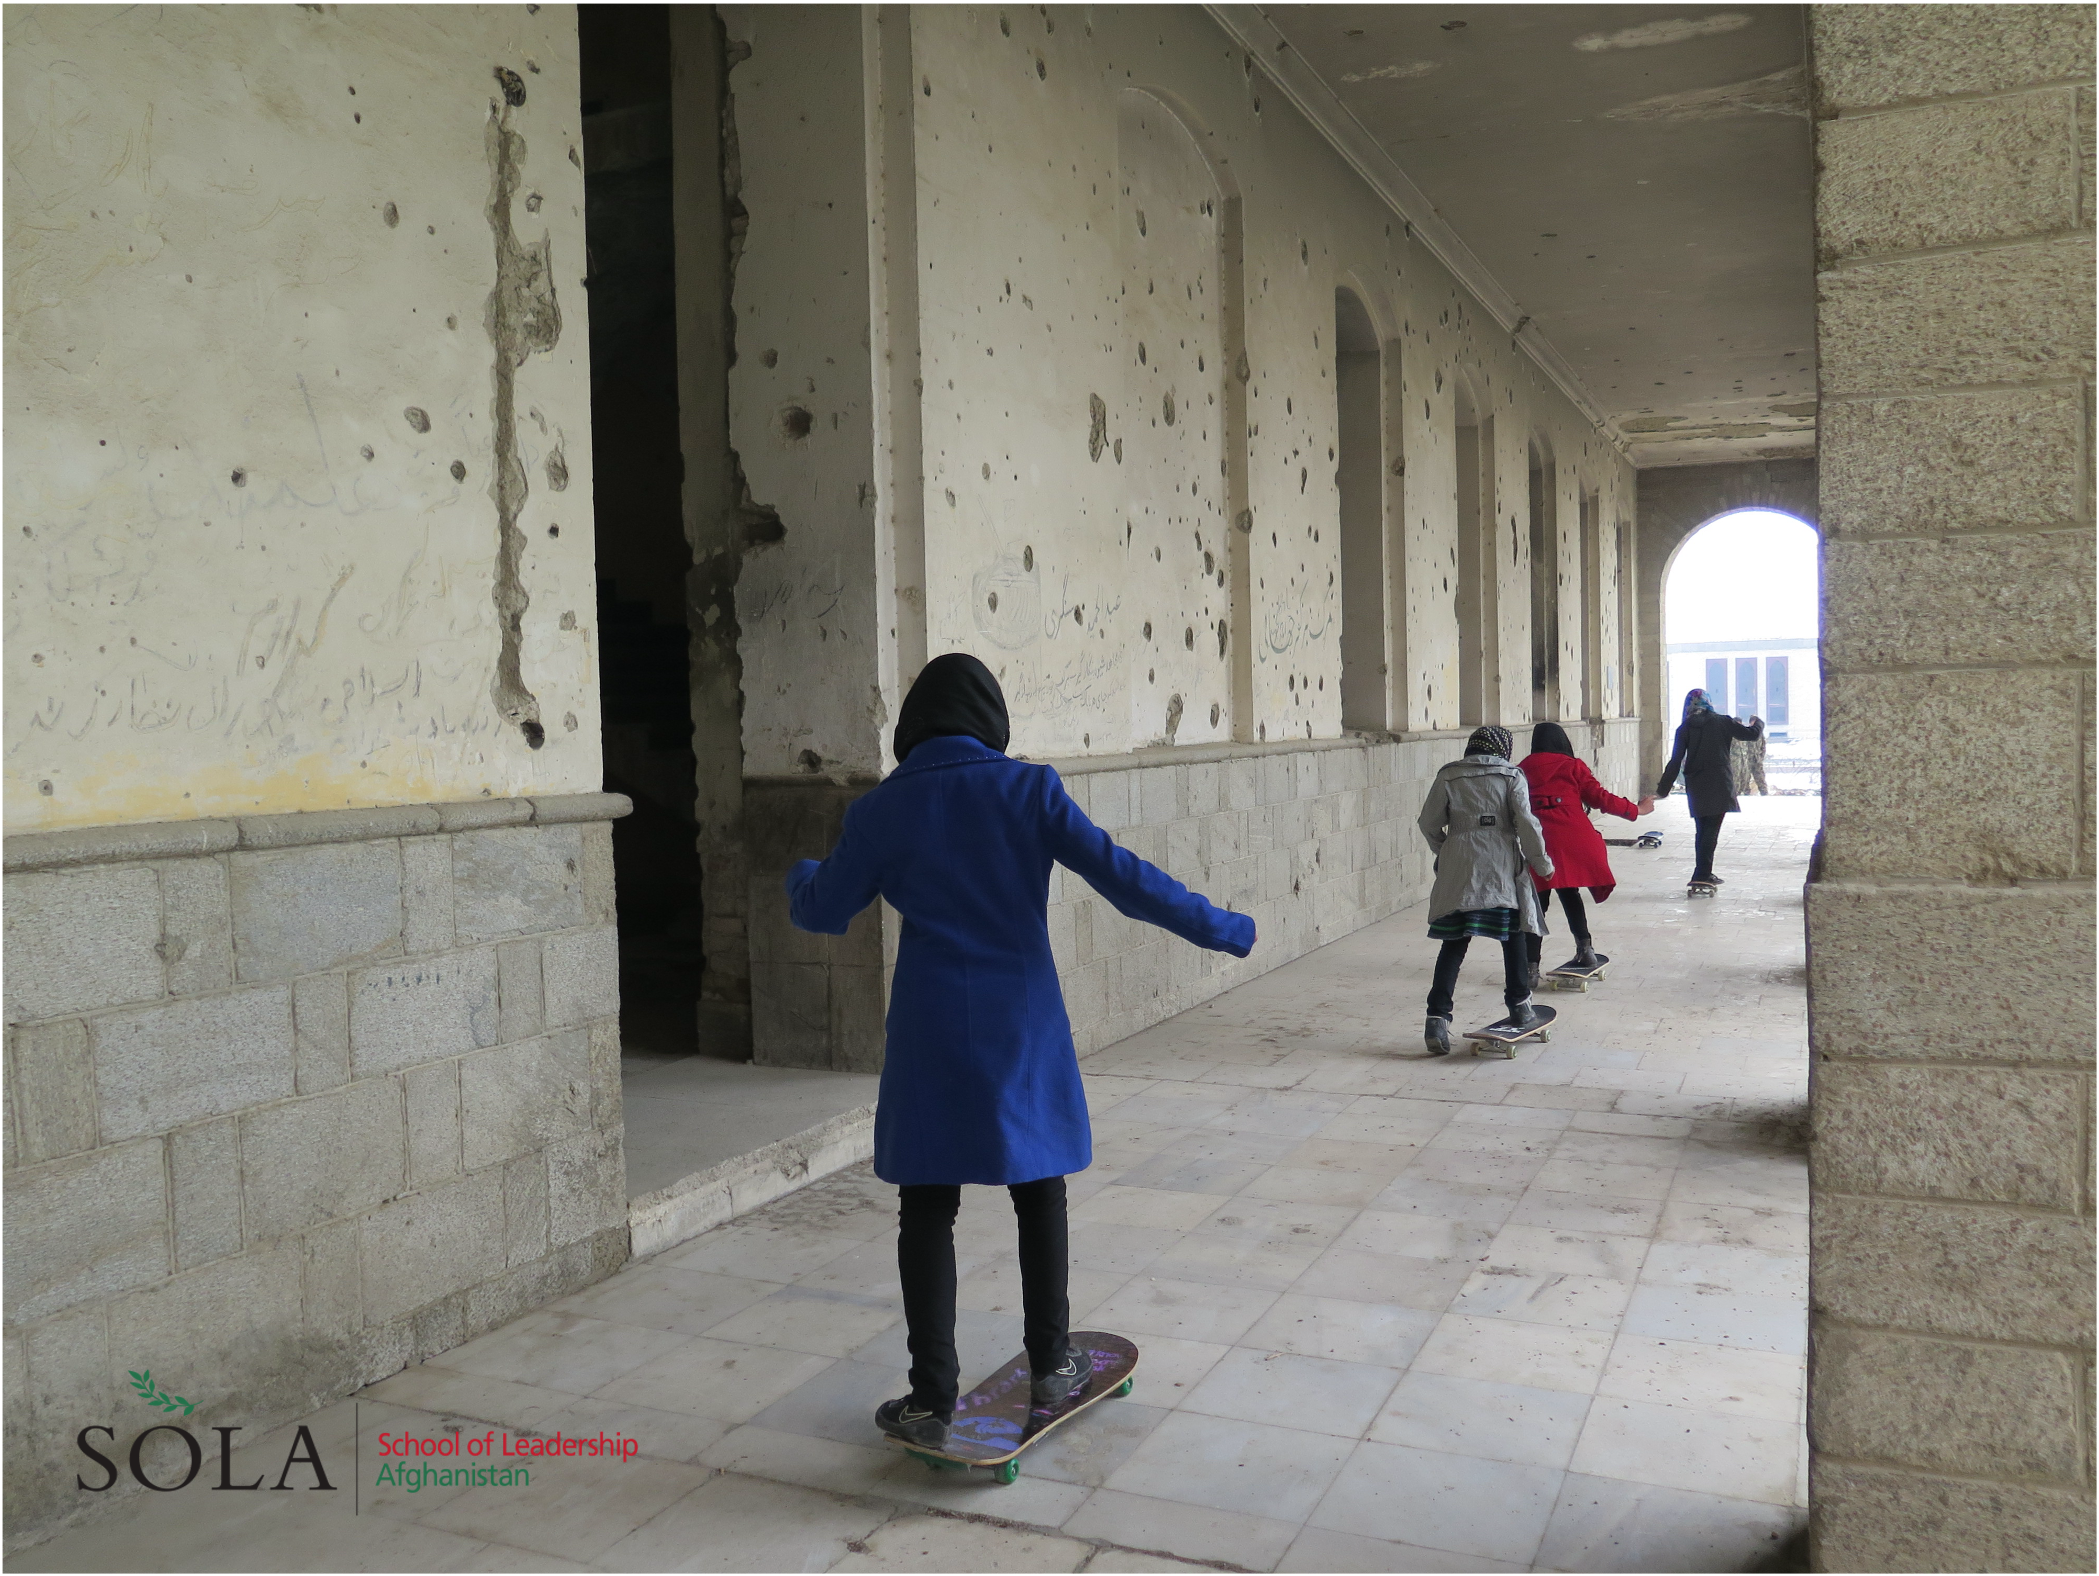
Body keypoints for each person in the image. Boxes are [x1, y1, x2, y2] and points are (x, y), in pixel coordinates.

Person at [785, 653, 1254, 1451]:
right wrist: (1222, 926)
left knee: (926, 1205)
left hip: (930, 1025)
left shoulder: (879, 811)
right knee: (1039, 1188)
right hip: (1021, 1021)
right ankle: (1051, 1364)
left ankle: (931, 1396)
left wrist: (803, 874)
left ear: (913, 726)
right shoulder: (1028, 790)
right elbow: (1126, 879)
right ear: (990, 718)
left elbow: (824, 912)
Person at [1416, 725, 1555, 1056]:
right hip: (1498, 865)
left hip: (1459, 865)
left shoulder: (1449, 776)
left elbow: (1428, 823)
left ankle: (1437, 1018)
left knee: (1454, 943)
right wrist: (1542, 863)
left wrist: (1447, 851)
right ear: (1503, 749)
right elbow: (1526, 822)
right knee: (1514, 936)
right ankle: (1520, 1005)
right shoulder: (1510, 776)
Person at [1517, 722, 1654, 982]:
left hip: (1538, 842)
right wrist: (1637, 810)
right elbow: (1600, 798)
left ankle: (1530, 969)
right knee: (1569, 892)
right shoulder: (1572, 766)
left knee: (1536, 904)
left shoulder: (1521, 770)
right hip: (1573, 839)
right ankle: (1586, 949)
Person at [1656, 688, 1765, 886]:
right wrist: (1758, 723)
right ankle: (1702, 874)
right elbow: (1751, 735)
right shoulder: (1723, 721)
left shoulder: (1685, 728)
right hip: (1719, 783)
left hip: (1696, 785)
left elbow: (1675, 761)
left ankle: (1702, 872)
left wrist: (1662, 790)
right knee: (1711, 830)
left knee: (1702, 829)